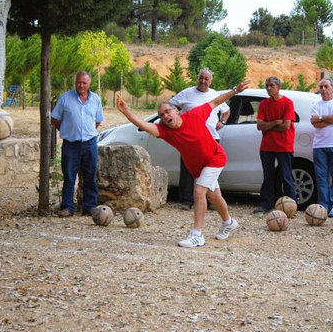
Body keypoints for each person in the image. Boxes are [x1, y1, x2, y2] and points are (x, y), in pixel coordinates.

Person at [116, 79, 251, 247]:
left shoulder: (194, 115)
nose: (165, 116)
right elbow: (143, 124)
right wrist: (126, 111)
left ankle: (197, 235)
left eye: (167, 111)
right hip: (198, 167)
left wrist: (235, 90)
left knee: (199, 191)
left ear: (177, 110)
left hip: (215, 158)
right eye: (162, 115)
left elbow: (215, 101)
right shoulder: (165, 132)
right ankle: (228, 222)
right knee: (214, 196)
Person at [169, 68, 230, 209]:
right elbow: (171, 105)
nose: (203, 81)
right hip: (189, 138)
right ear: (198, 79)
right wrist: (176, 118)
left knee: (210, 170)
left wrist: (223, 122)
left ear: (211, 81)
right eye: (201, 78)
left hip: (211, 138)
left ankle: (212, 201)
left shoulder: (215, 95)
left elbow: (226, 110)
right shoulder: (187, 93)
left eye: (206, 79)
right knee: (187, 170)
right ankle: (186, 201)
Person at [51, 71, 104, 217]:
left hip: (90, 144)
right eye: (79, 82)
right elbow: (55, 119)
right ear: (75, 83)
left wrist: (87, 132)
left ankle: (89, 207)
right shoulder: (65, 98)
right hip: (70, 145)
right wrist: (68, 130)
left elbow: (98, 120)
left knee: (90, 175)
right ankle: (67, 207)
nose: (81, 85)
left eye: (84, 83)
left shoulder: (96, 99)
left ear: (89, 84)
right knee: (69, 176)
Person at [254, 77, 296, 214]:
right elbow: (259, 125)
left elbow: (286, 126)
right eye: (267, 86)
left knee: (286, 176)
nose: (269, 88)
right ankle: (267, 204)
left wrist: (269, 126)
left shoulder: (287, 103)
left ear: (278, 87)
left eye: (271, 85)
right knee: (268, 176)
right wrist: (275, 122)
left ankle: (291, 206)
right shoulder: (263, 104)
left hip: (284, 146)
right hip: (267, 146)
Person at [310, 78, 333, 218]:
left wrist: (322, 118)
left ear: (332, 88)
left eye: (326, 86)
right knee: (321, 178)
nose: (323, 89)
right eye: (321, 87)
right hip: (319, 146)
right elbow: (315, 123)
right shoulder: (316, 104)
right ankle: (323, 205)